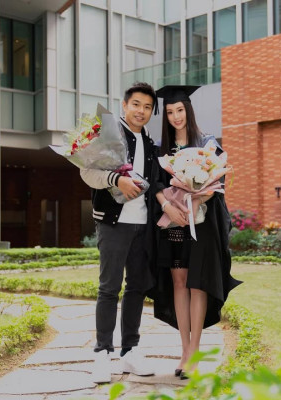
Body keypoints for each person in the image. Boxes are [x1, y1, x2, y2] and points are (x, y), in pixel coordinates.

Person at [150, 85, 242, 379]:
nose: (175, 116)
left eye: (179, 110)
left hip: (200, 224)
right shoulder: (161, 149)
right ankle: (184, 350)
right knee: (179, 282)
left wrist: (195, 200)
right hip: (174, 223)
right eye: (169, 112)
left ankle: (195, 352)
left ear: (188, 110)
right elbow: (155, 185)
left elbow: (217, 183)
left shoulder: (207, 143)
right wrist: (168, 205)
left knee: (198, 283)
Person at [80, 82, 159, 384]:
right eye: (136, 104)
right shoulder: (109, 134)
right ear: (124, 105)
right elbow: (87, 172)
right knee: (109, 288)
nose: (141, 111)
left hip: (143, 224)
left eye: (148, 107)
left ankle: (130, 350)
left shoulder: (151, 144)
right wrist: (116, 180)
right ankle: (102, 353)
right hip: (113, 222)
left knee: (137, 286)